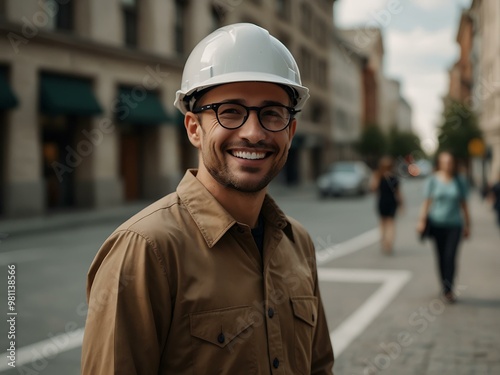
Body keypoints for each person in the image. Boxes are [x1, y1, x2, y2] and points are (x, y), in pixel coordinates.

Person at [81, 23, 334, 374]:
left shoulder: (299, 242)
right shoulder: (144, 249)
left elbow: (319, 366)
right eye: (230, 111)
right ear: (194, 129)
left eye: (272, 113)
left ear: (290, 132)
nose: (253, 132)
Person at [417, 151, 470, 303]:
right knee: (440, 257)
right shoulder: (432, 180)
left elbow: (464, 205)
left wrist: (468, 224)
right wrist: (421, 221)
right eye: (444, 162)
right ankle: (444, 285)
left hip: (455, 225)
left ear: (454, 163)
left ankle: (449, 289)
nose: (447, 165)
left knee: (450, 256)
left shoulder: (460, 180)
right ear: (439, 163)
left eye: (450, 162)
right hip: (436, 224)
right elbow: (427, 202)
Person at [370, 156, 403, 254]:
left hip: (382, 201)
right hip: (392, 202)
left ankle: (384, 241)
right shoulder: (394, 178)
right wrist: (401, 204)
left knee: (382, 223)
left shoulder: (378, 176)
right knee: (391, 223)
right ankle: (389, 242)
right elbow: (398, 193)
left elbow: (373, 188)